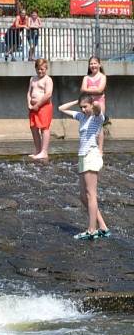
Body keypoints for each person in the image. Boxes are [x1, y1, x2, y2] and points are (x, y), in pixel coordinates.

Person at [57, 94, 110, 240]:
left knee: (91, 194)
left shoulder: (97, 117)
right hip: (81, 156)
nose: (83, 109)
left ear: (91, 105)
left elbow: (98, 109)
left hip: (90, 155)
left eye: (85, 106)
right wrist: (78, 101)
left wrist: (94, 104)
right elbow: (61, 108)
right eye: (81, 107)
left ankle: (92, 230)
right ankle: (103, 227)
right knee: (83, 196)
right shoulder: (81, 116)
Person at [27, 58, 54, 160]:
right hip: (33, 107)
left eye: (42, 69)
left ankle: (44, 151)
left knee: (44, 128)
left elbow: (48, 94)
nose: (40, 71)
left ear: (46, 68)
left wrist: (38, 105)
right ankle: (38, 150)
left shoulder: (48, 79)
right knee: (34, 128)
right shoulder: (32, 79)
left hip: (44, 106)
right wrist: (29, 103)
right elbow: (29, 92)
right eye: (38, 69)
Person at [81, 56, 107, 155]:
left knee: (99, 126)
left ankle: (100, 149)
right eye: (91, 64)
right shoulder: (86, 77)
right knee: (87, 125)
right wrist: (94, 90)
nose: (93, 65)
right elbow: (82, 89)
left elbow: (100, 90)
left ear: (99, 64)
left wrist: (89, 89)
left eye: (95, 63)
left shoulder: (103, 77)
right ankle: (89, 146)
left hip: (99, 102)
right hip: (88, 104)